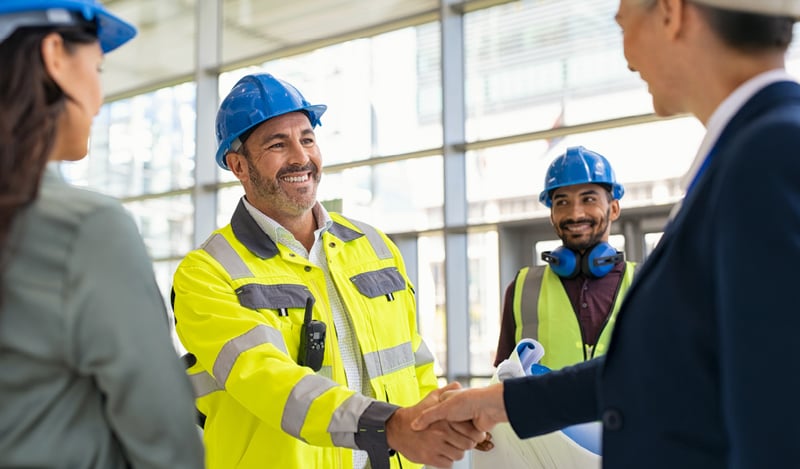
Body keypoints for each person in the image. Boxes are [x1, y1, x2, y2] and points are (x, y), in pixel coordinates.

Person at [413, 1, 800, 468]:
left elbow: (778, 405)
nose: (627, 56)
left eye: (622, 25)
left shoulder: (770, 154)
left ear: (671, 14)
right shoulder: (749, 151)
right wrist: (500, 403)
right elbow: (661, 372)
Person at [172, 72, 483, 469]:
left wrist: (441, 424)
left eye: (307, 139)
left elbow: (414, 363)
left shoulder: (373, 246)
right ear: (238, 166)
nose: (301, 158)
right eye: (277, 144)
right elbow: (268, 381)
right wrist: (387, 425)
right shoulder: (207, 272)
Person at [0, 1, 205, 468]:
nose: (98, 96)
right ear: (54, 55)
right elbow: (167, 445)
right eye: (97, 66)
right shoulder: (84, 228)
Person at [494, 145, 636, 370]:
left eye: (588, 199)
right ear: (551, 215)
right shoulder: (522, 290)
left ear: (614, 208)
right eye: (562, 202)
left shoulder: (645, 283)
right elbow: (503, 382)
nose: (575, 213)